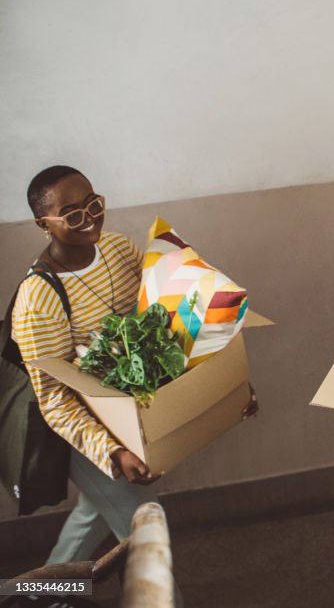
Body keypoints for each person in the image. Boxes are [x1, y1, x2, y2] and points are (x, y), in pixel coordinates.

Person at [11, 165, 258, 605]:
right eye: (71, 214)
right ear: (42, 224)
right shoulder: (38, 299)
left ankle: (34, 594)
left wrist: (229, 388)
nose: (89, 219)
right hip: (87, 435)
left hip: (132, 419)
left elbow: (169, 325)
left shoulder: (118, 248)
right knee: (149, 539)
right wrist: (113, 453)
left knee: (92, 515)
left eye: (93, 205)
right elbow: (55, 399)